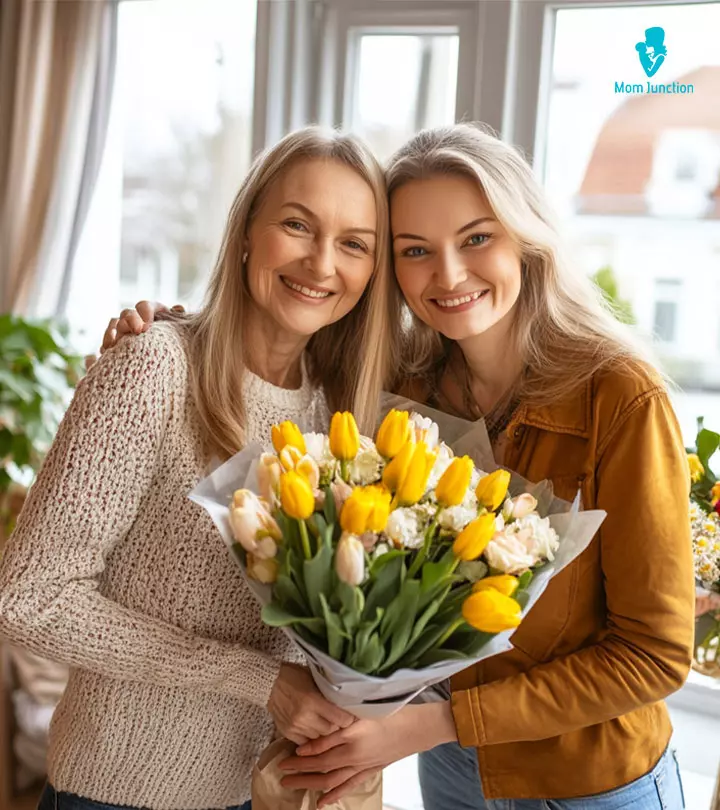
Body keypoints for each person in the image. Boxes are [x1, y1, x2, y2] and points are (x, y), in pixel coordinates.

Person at [105, 124, 694, 810]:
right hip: (448, 773)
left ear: (527, 239)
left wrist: (439, 723)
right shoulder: (397, 387)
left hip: (590, 783)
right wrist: (164, 330)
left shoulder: (618, 396)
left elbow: (654, 656)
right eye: (416, 250)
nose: (447, 274)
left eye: (477, 237)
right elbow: (270, 342)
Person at [0, 126, 397, 810]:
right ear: (246, 231)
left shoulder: (345, 415)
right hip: (116, 791)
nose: (322, 262)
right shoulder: (153, 367)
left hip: (257, 791)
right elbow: (27, 600)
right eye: (298, 225)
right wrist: (260, 683)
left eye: (354, 243)